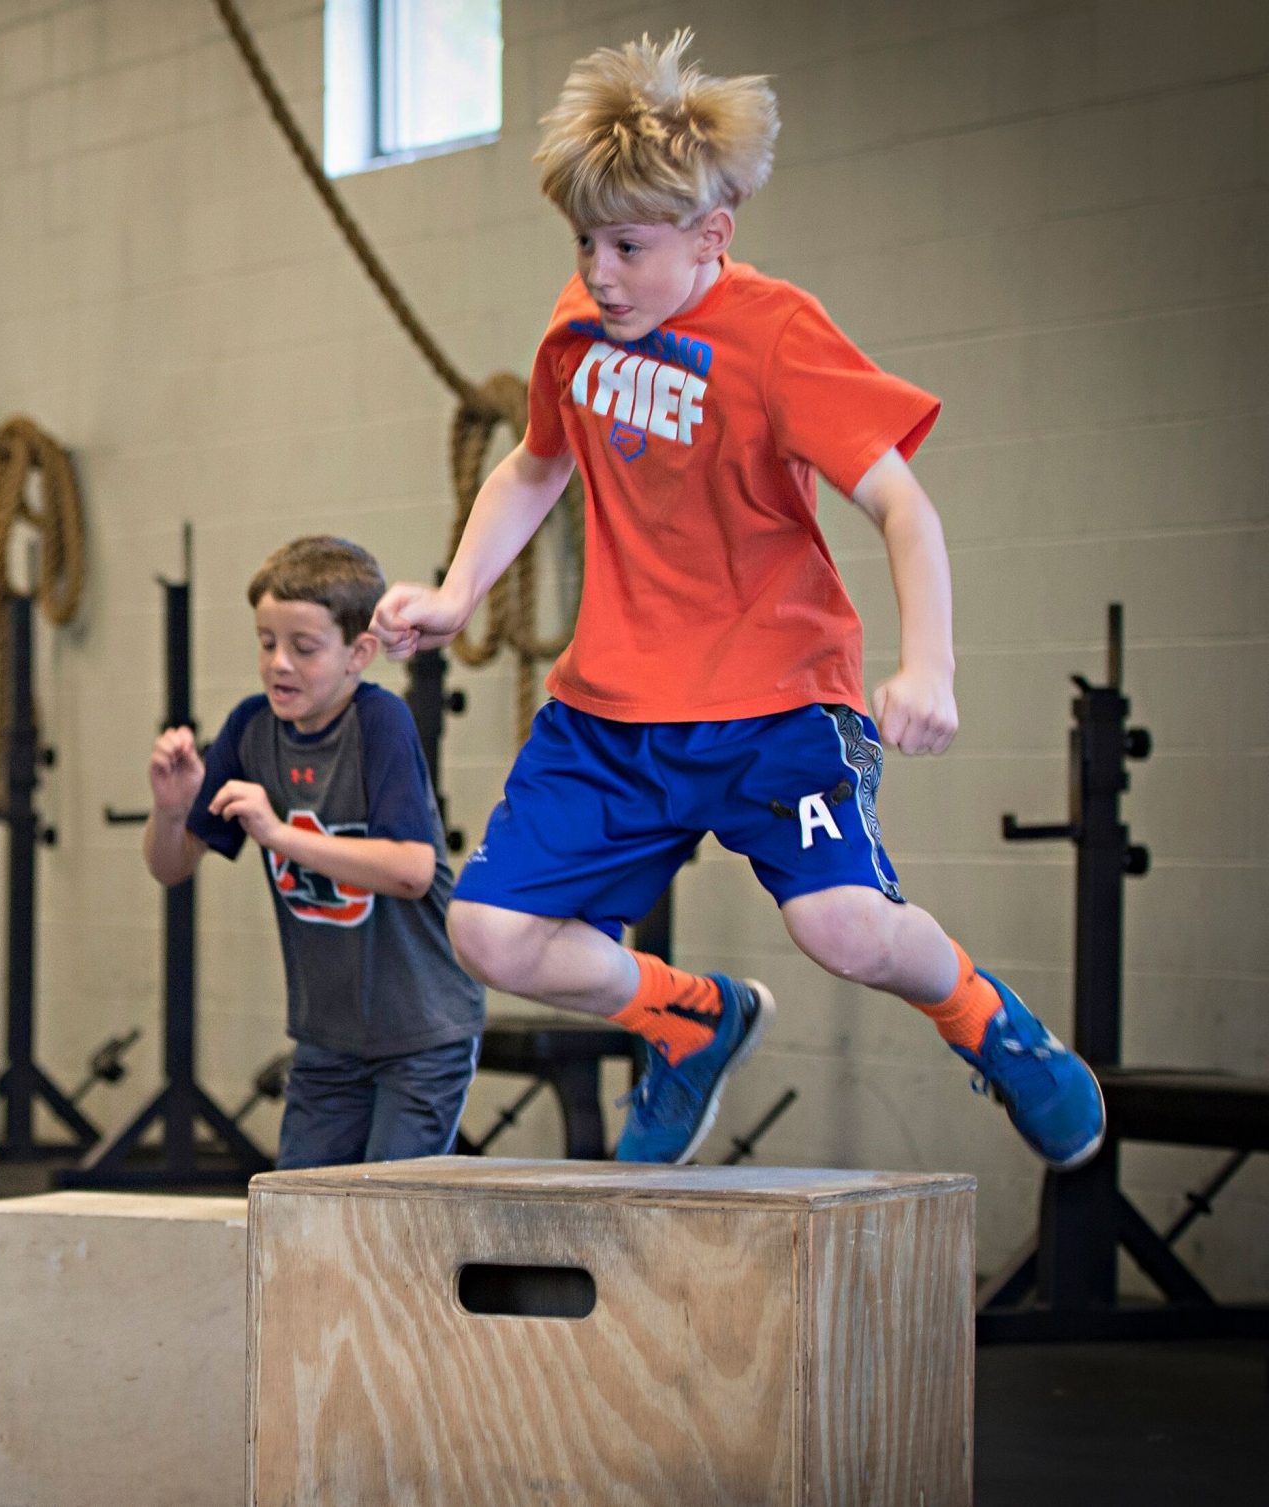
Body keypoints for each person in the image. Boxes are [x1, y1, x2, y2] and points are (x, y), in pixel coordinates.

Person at [372, 31, 1104, 1166]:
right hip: (613, 709)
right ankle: (687, 1017)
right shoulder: (578, 327)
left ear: (711, 234)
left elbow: (902, 507)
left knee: (845, 929)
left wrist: (929, 666)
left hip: (774, 702)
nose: (599, 270)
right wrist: (459, 589)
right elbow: (534, 464)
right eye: (583, 243)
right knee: (490, 931)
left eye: (627, 245)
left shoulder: (775, 337)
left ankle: (988, 1022)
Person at [146, 536, 482, 1168]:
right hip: (328, 1040)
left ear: (359, 653)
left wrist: (279, 836)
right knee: (300, 1215)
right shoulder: (251, 728)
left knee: (388, 1209)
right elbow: (171, 866)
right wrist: (169, 810)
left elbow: (412, 870)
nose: (279, 664)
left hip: (420, 1032)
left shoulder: (379, 723)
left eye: (303, 648)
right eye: (266, 643)